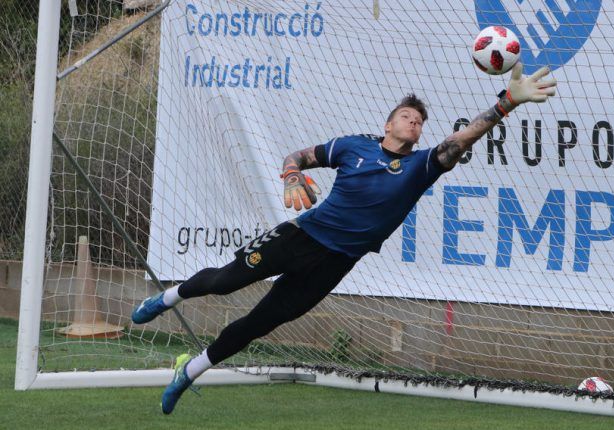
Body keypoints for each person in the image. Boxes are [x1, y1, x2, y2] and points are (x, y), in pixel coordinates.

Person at [131, 62, 556, 414]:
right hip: (299, 236)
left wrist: (505, 104)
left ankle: (189, 371)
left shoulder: (423, 166)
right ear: (388, 123)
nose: (415, 123)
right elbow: (296, 156)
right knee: (224, 283)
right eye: (408, 116)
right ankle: (168, 298)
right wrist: (293, 176)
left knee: (261, 323)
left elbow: (459, 140)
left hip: (335, 263)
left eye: (421, 121)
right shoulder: (353, 146)